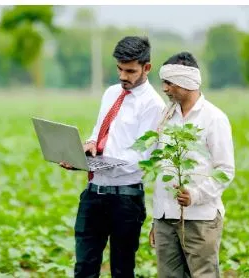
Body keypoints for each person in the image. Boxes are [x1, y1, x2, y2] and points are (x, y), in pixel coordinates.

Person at [60, 36, 166, 277]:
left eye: (130, 71)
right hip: (93, 193)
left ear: (146, 68)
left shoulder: (153, 105)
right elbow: (99, 133)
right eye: (119, 68)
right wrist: (85, 150)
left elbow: (142, 157)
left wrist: (100, 162)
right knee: (84, 267)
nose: (123, 76)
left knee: (122, 270)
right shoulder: (110, 93)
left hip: (125, 200)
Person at [149, 52, 235, 278]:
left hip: (201, 217)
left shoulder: (213, 118)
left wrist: (195, 195)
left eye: (169, 83)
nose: (164, 89)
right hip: (165, 217)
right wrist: (155, 220)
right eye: (163, 83)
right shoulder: (166, 116)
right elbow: (162, 167)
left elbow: (225, 170)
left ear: (187, 81)